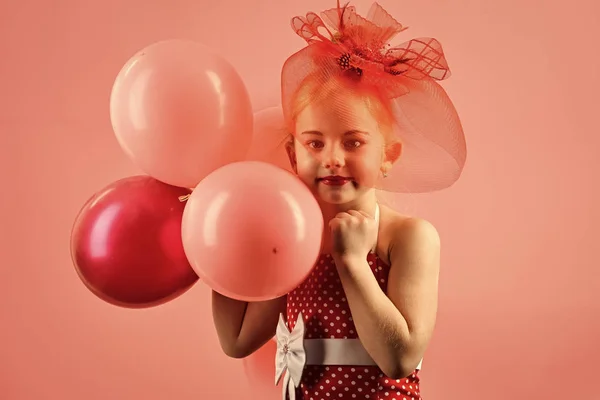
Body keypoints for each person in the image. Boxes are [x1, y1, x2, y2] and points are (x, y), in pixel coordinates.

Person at [211, 1, 467, 399]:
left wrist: (352, 263)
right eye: (315, 143)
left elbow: (399, 358)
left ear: (387, 156)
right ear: (294, 156)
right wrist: (218, 242)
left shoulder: (406, 238)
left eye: (353, 142)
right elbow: (237, 340)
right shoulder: (294, 242)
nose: (332, 157)